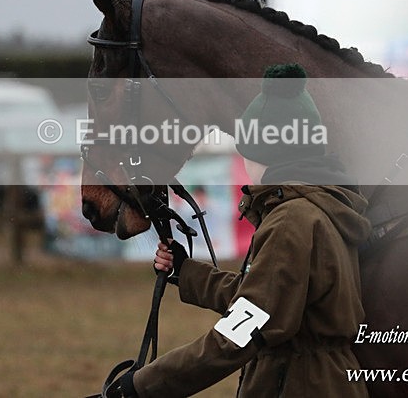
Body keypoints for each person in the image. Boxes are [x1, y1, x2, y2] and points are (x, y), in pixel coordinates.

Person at [114, 63, 372, 397]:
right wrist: (185, 271)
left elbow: (242, 332)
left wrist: (140, 387)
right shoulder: (321, 207)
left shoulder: (290, 221)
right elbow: (265, 298)